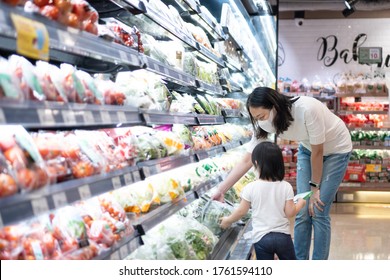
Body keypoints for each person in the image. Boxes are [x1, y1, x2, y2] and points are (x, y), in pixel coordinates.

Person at [213, 87, 352, 260]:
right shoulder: (264, 122)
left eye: (262, 116)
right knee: (301, 212)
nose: (260, 121)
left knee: (318, 209)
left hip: (336, 150)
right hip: (308, 149)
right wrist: (221, 189)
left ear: (275, 105)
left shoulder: (307, 109)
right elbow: (247, 160)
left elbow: (319, 151)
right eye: (256, 118)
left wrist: (315, 188)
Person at [220, 141, 306, 260]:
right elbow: (290, 212)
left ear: (256, 163)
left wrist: (228, 220)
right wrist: (301, 203)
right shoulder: (286, 186)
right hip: (283, 237)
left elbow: (241, 211)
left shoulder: (250, 187)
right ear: (279, 164)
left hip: (261, 238)